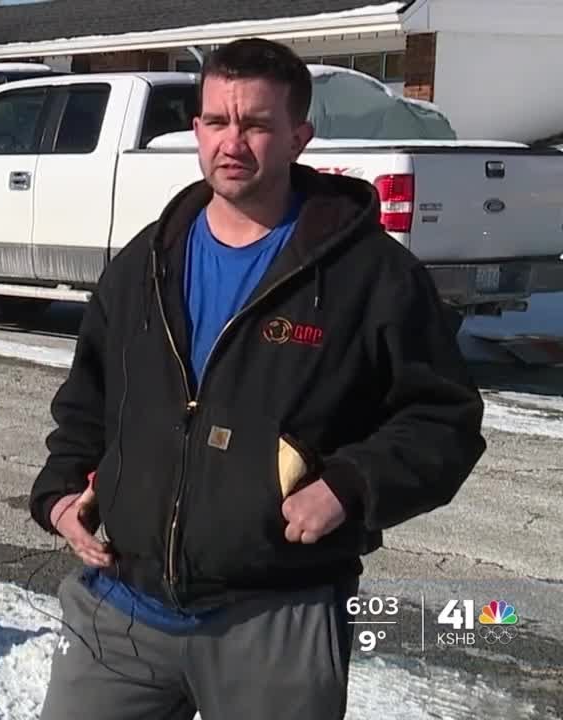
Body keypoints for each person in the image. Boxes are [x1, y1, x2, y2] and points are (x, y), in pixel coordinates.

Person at [29, 37, 486, 720]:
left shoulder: (369, 276)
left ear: (299, 135)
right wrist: (63, 490)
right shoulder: (146, 265)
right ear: (195, 129)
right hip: (119, 613)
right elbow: (89, 400)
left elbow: (443, 420)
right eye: (216, 121)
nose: (232, 142)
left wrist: (351, 485)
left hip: (276, 619)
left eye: (256, 124)